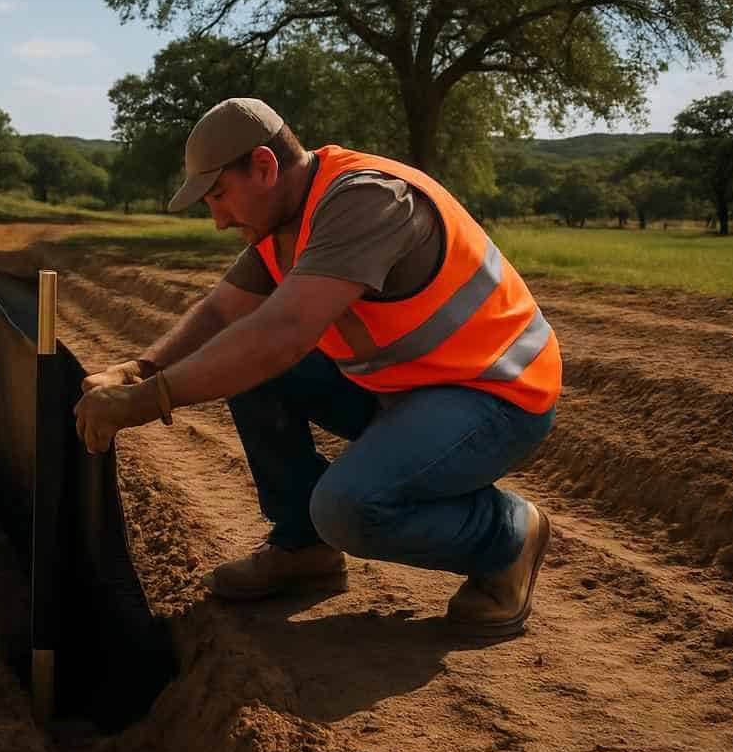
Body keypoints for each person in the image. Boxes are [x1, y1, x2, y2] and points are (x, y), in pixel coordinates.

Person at [72, 98, 561, 636]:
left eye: (219, 195)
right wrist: (138, 370)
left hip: (494, 393)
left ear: (264, 166)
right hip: (406, 386)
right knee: (245, 365)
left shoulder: (367, 200)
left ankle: (508, 535)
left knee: (348, 508)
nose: (218, 220)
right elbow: (220, 313)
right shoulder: (285, 221)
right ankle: (304, 549)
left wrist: (149, 400)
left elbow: (282, 334)